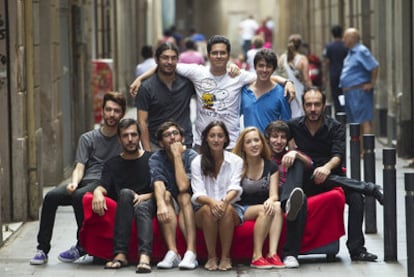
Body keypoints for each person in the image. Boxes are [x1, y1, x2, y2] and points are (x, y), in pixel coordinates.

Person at [130, 35, 295, 150]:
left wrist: (287, 82)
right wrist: (140, 79)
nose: (218, 56)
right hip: (202, 143)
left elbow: (264, 76)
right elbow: (166, 64)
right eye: (215, 53)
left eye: (222, 53)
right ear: (208, 55)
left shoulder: (239, 76)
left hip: (231, 144)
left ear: (228, 55)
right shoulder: (197, 72)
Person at [285, 88, 384, 265]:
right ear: (303, 106)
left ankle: (356, 250)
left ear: (323, 106)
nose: (313, 108)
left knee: (356, 198)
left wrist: (327, 168)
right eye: (309, 104)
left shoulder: (335, 126)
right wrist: (291, 152)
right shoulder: (293, 126)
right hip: (305, 180)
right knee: (316, 176)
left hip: (329, 176)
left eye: (317, 104)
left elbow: (338, 155)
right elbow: (276, 140)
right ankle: (371, 188)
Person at [30, 92, 126, 265]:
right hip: (85, 182)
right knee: (51, 197)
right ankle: (42, 249)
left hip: (106, 184)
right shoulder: (87, 138)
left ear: (122, 114)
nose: (112, 114)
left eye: (117, 111)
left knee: (79, 196)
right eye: (109, 110)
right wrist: (74, 182)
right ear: (102, 111)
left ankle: (82, 245)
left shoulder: (125, 139)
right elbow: (80, 166)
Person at [91, 118, 154, 273]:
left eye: (133, 134)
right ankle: (121, 254)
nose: (130, 139)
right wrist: (97, 192)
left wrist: (142, 197)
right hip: (125, 204)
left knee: (141, 207)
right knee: (125, 193)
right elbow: (103, 185)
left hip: (149, 202)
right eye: (125, 136)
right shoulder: (112, 164)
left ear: (139, 136)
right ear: (119, 139)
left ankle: (145, 256)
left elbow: (162, 189)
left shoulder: (152, 159)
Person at [190, 121, 243, 271]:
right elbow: (198, 192)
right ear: (206, 138)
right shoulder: (197, 162)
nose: (216, 140)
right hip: (203, 208)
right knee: (208, 210)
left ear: (226, 139)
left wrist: (224, 201)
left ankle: (226, 257)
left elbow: (235, 187)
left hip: (230, 205)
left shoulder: (236, 160)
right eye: (212, 136)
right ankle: (211, 256)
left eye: (220, 136)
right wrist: (212, 202)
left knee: (225, 209)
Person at [232, 127, 285, 269]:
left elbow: (274, 194)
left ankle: (272, 254)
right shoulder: (237, 165)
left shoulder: (271, 166)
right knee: (265, 210)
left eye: (256, 140)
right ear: (243, 146)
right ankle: (257, 256)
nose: (254, 144)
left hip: (261, 206)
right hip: (239, 208)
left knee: (277, 206)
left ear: (262, 143)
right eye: (248, 142)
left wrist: (270, 200)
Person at [149, 121, 198, 269]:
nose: (172, 138)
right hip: (172, 202)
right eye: (167, 135)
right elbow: (158, 183)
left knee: (184, 196)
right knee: (165, 195)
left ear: (182, 138)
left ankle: (191, 253)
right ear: (161, 143)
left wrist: (177, 157)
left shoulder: (191, 156)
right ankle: (173, 252)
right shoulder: (156, 158)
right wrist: (161, 204)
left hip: (192, 203)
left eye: (175, 133)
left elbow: (184, 187)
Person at [135, 42, 194, 152]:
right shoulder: (146, 88)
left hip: (184, 143)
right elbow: (142, 122)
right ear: (156, 60)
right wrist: (147, 151)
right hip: (157, 146)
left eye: (173, 58)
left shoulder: (187, 83)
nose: (169, 62)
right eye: (165, 58)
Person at [340, 27, 379, 140]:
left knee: (363, 121)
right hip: (350, 92)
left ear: (352, 38)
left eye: (345, 37)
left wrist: (372, 83)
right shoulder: (351, 52)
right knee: (355, 122)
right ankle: (359, 150)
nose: (343, 40)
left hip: (359, 91)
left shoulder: (361, 51)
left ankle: (366, 152)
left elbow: (374, 66)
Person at [241, 48, 291, 132]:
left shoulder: (282, 93)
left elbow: (287, 124)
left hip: (270, 144)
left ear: (273, 69)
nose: (264, 70)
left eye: (268, 66)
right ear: (255, 67)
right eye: (261, 66)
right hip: (249, 143)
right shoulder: (244, 91)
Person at [278, 34, 312, 118]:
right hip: (298, 91)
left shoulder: (282, 58)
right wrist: (311, 90)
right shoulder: (302, 59)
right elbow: (306, 79)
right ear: (300, 45)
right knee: (298, 114)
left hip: (284, 91)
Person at [323, 25, 348, 115]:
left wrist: (325, 75)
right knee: (345, 93)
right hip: (345, 74)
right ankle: (345, 110)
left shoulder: (329, 46)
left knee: (335, 95)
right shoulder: (346, 46)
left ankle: (339, 112)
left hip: (334, 74)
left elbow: (327, 62)